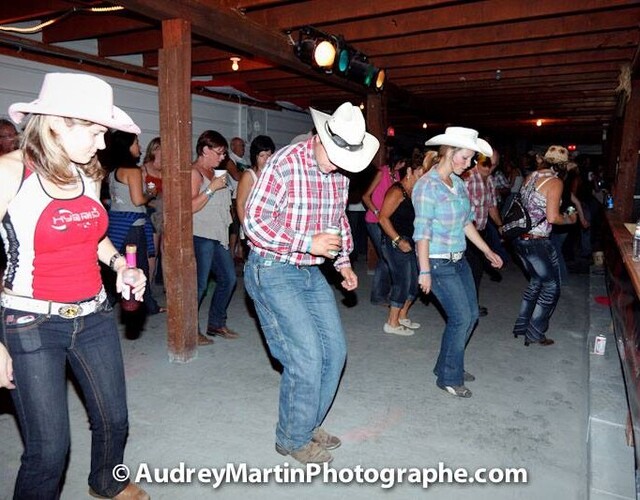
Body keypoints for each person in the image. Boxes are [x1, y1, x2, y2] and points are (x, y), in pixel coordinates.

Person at [0, 72, 149, 499]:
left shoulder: (91, 172)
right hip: (31, 322)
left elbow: (93, 236)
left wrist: (121, 265)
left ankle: (106, 482)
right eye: (95, 131)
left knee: (114, 419)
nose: (102, 144)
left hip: (94, 315)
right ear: (56, 123)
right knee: (48, 451)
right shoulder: (11, 173)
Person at [243, 102, 379, 464]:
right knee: (305, 356)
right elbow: (253, 222)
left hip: (311, 269)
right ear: (318, 137)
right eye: (333, 155)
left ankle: (306, 422)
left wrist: (345, 263)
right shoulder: (284, 163)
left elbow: (337, 222)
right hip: (272, 267)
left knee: (335, 352)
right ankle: (291, 438)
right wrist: (307, 242)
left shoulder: (340, 172)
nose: (337, 166)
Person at [413, 127, 503, 398]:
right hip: (438, 263)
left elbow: (465, 222)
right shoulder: (427, 186)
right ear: (449, 152)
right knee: (461, 318)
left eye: (472, 159)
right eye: (465, 158)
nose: (470, 164)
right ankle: (449, 377)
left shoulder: (459, 183)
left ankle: (447, 364)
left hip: (459, 259)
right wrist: (424, 270)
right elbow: (422, 232)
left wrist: (487, 251)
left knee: (471, 315)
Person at [512, 145, 577, 346]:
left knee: (536, 282)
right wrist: (570, 219)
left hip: (520, 239)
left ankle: (522, 326)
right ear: (563, 166)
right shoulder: (555, 182)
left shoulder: (530, 177)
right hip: (536, 242)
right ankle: (535, 333)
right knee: (551, 287)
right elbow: (553, 217)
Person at [103, 130, 163, 315]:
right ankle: (146, 305)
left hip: (117, 225)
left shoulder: (113, 171)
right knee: (140, 267)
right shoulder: (133, 171)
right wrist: (151, 194)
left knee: (117, 269)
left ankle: (107, 304)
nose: (140, 147)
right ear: (127, 147)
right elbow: (138, 200)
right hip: (133, 227)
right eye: (136, 143)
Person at [191, 130, 238, 344]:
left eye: (224, 154)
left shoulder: (215, 172)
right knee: (199, 285)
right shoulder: (194, 172)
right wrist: (211, 189)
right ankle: (190, 330)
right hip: (201, 235)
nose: (222, 158)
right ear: (205, 150)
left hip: (218, 234)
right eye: (218, 153)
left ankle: (216, 323)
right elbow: (190, 207)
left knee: (229, 278)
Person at [378, 162, 425, 336]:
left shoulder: (415, 192)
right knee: (402, 281)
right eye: (420, 173)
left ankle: (402, 316)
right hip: (395, 241)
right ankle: (391, 322)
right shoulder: (397, 191)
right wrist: (398, 240)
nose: (422, 178)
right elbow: (382, 218)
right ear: (409, 170)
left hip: (410, 241)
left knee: (413, 282)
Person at [361, 151, 406, 305]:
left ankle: (382, 293)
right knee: (386, 257)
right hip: (374, 220)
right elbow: (366, 196)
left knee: (387, 257)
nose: (403, 165)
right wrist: (376, 211)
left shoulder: (397, 174)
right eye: (401, 162)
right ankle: (379, 296)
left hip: (387, 221)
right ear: (396, 160)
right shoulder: (382, 172)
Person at [462, 152, 504, 316]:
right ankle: (469, 307)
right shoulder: (468, 178)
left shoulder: (490, 180)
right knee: (470, 270)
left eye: (494, 165)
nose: (490, 168)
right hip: (465, 233)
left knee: (476, 271)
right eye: (487, 164)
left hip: (481, 231)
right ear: (478, 161)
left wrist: (500, 225)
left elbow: (492, 206)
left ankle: (471, 305)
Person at [236, 134, 275, 226]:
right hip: (253, 223)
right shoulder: (249, 175)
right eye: (262, 155)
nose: (266, 159)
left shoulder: (274, 174)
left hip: (270, 222)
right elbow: (240, 204)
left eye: (268, 155)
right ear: (255, 156)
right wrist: (246, 227)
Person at [141, 137, 163, 284]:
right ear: (155, 149)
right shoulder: (143, 169)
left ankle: (168, 289)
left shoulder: (168, 169)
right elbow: (140, 196)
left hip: (166, 211)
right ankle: (147, 287)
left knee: (167, 251)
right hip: (151, 212)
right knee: (152, 252)